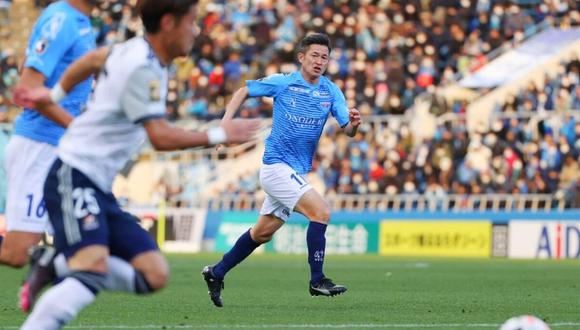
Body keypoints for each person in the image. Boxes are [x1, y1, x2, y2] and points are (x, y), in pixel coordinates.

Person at [15, 0, 259, 328]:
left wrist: (55, 94)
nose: (196, 30)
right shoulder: (142, 67)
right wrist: (218, 133)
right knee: (90, 269)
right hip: (73, 175)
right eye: (192, 22)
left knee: (154, 274)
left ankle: (54, 263)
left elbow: (91, 60)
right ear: (170, 23)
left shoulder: (136, 52)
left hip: (97, 185)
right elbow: (159, 136)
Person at [202, 33, 361, 307]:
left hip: (295, 173)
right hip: (276, 167)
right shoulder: (284, 83)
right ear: (301, 57)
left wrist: (355, 124)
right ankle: (317, 280)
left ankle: (216, 272)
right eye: (314, 55)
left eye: (324, 57)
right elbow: (243, 91)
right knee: (321, 211)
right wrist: (224, 125)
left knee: (262, 233)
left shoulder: (331, 91)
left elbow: (347, 130)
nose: (319, 61)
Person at [0, 0, 99, 312]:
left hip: (60, 148)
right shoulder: (62, 19)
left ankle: (50, 303)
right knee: (17, 253)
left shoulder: (81, 21)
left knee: (86, 243)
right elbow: (29, 85)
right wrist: (76, 126)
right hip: (38, 146)